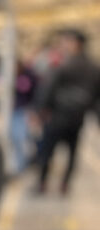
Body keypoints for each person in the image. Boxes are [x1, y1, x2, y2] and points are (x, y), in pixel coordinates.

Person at [35, 30, 100, 194]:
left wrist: (40, 110)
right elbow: (96, 96)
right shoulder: (93, 67)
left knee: (47, 150)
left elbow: (48, 89)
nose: (63, 45)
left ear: (76, 43)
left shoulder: (61, 64)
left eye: (66, 41)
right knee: (72, 152)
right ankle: (65, 184)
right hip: (78, 117)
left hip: (57, 116)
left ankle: (42, 183)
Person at [10, 59, 38, 173]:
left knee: (22, 139)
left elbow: (35, 93)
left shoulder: (29, 76)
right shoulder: (11, 76)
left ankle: (22, 165)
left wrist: (34, 111)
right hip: (14, 111)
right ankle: (20, 164)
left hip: (24, 111)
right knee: (15, 139)